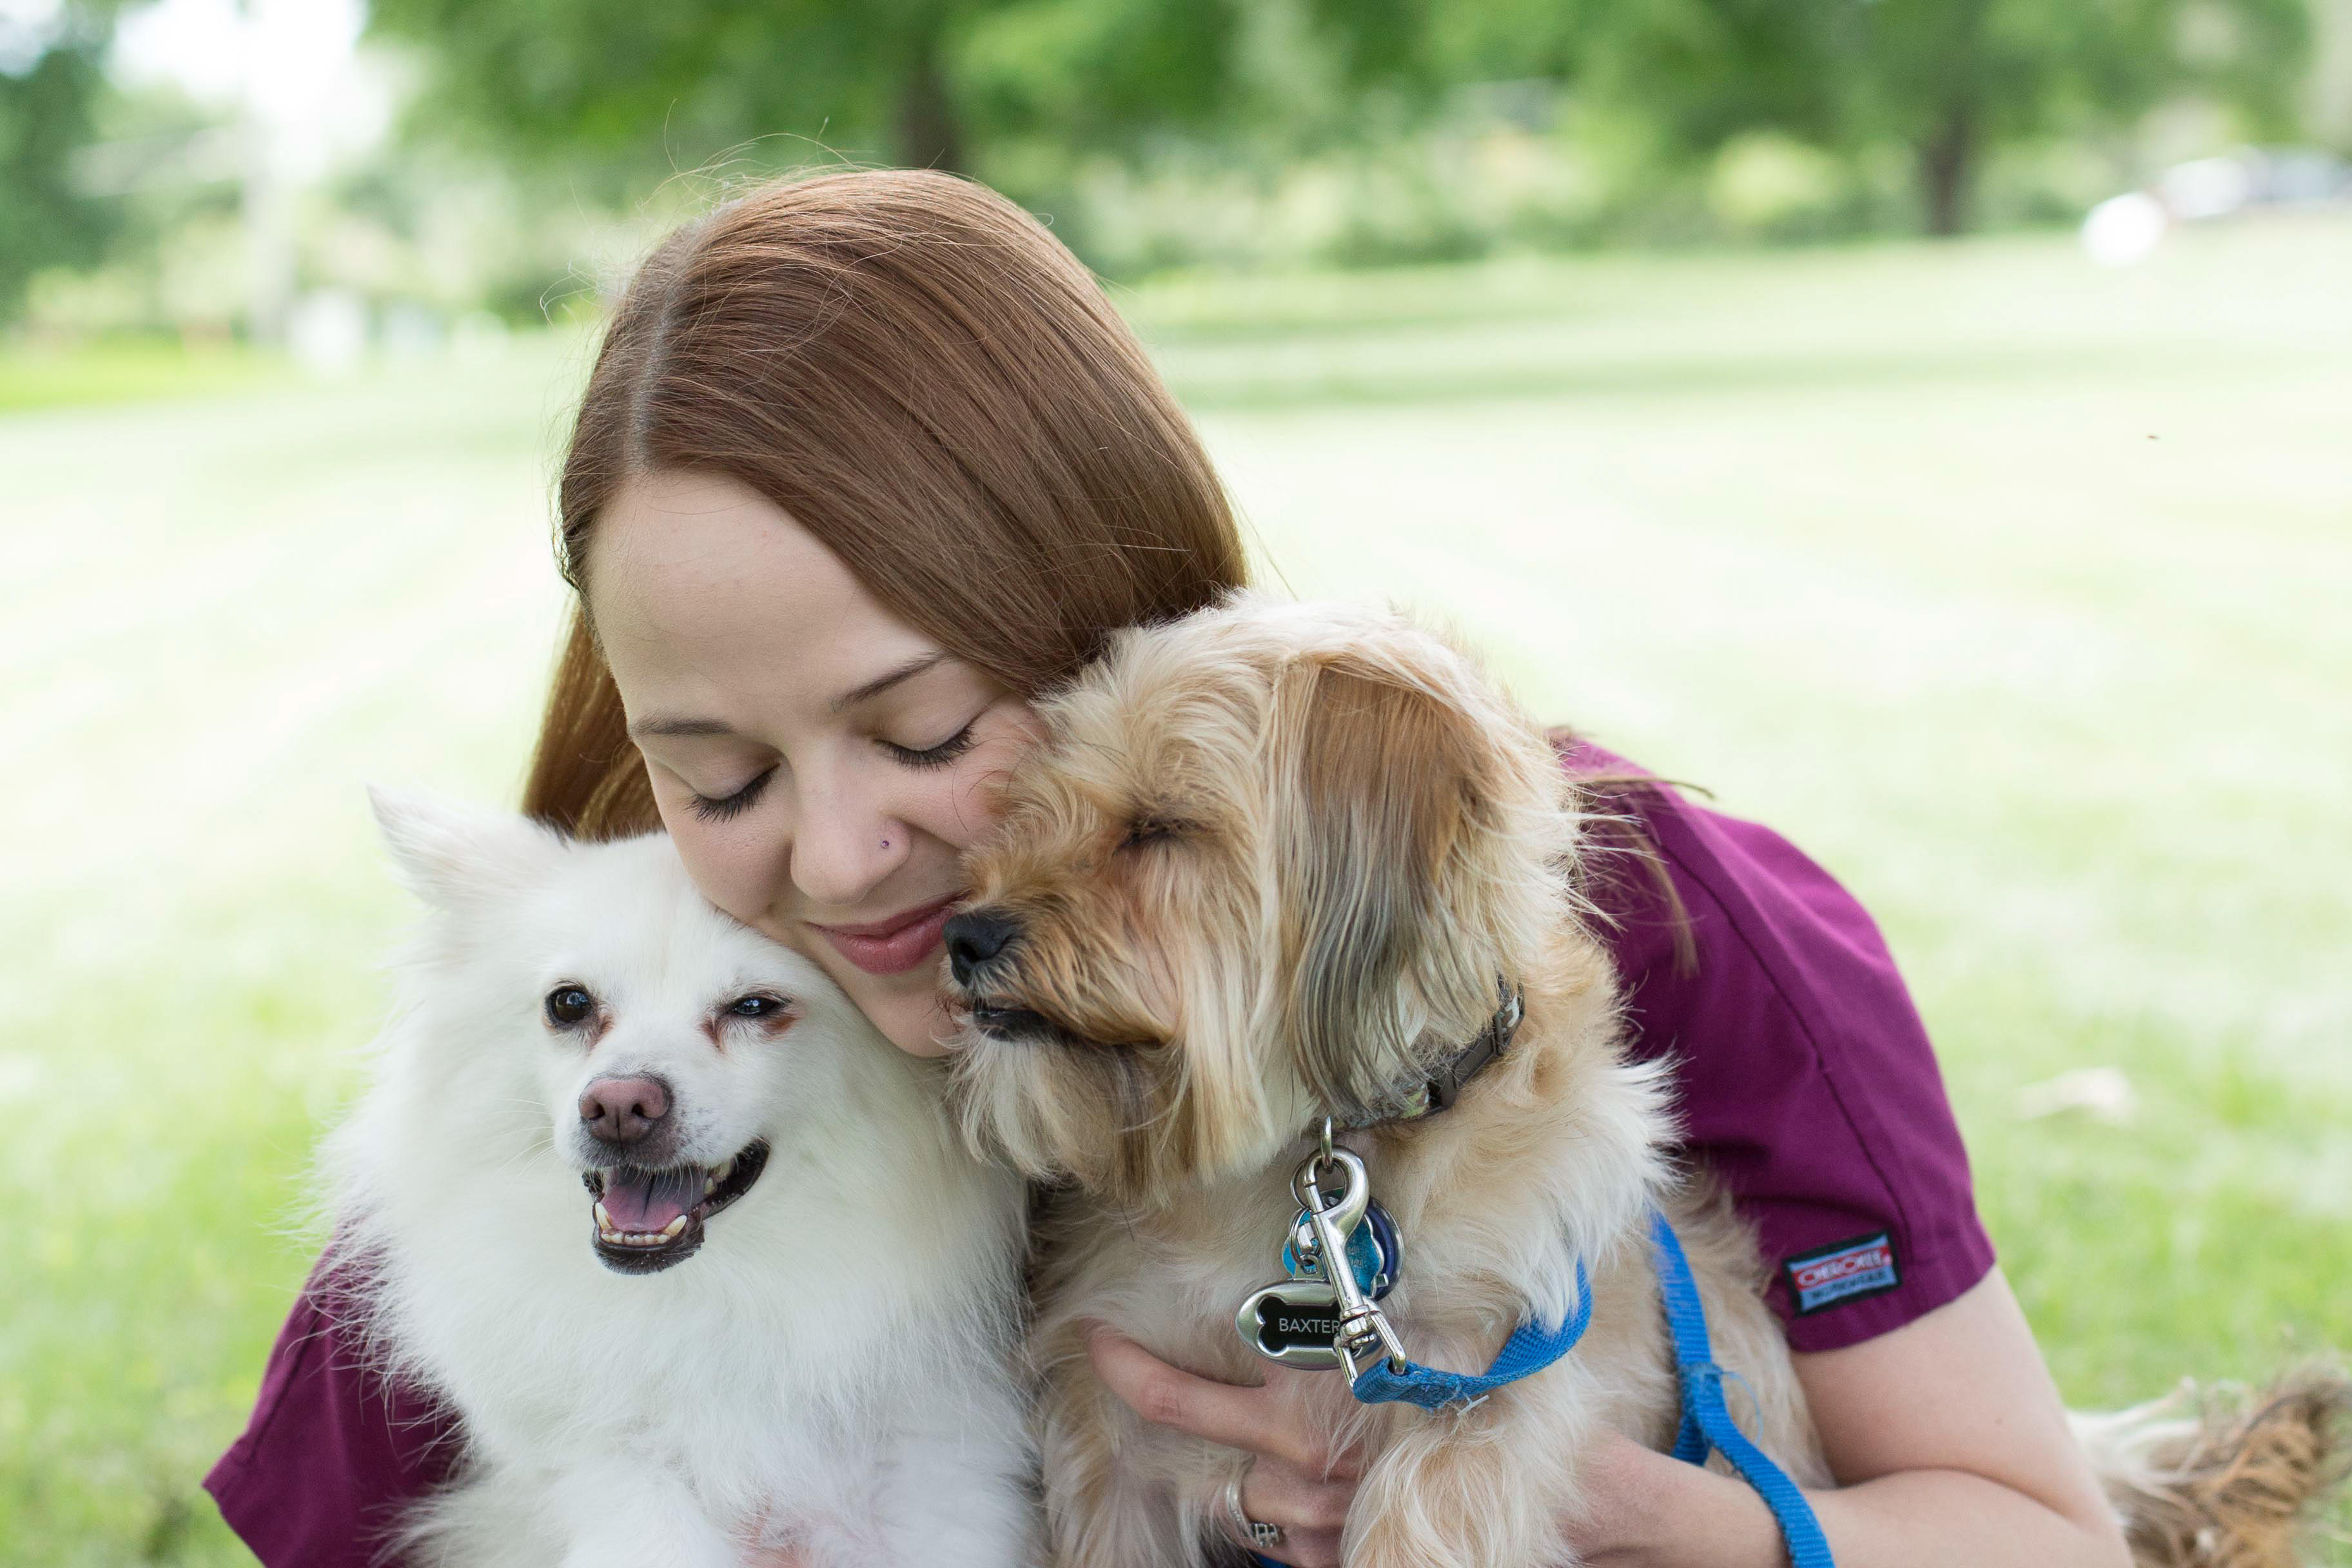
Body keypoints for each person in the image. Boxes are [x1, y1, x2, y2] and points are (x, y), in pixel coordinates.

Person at [206, 169, 2130, 1568]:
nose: (842, 853)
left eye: (931, 733)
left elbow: (2038, 1537)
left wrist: (1592, 1494)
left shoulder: (1656, 916)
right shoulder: (641, 1073)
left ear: (1104, 603)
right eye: (714, 769)